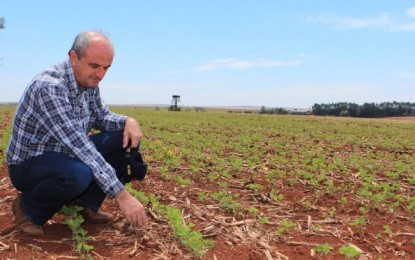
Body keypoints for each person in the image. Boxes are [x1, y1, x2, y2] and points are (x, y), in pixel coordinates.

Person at [6, 31, 148, 236]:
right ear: (74, 58)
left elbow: (101, 116)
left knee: (123, 139)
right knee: (78, 173)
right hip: (30, 163)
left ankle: (85, 205)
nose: (100, 74)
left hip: (65, 154)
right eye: (94, 66)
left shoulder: (88, 82)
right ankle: (27, 209)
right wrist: (122, 196)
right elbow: (80, 145)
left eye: (106, 68)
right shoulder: (49, 87)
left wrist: (128, 121)